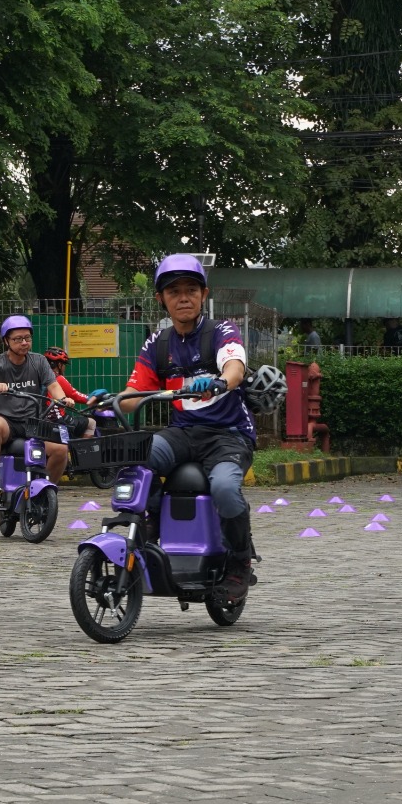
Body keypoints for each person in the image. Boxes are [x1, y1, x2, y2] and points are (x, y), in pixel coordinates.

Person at [118, 255, 260, 602]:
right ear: (161, 299)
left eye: (191, 290)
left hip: (228, 435)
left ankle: (240, 561)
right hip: (183, 433)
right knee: (139, 458)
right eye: (174, 291)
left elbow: (235, 368)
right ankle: (150, 527)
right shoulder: (159, 343)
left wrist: (219, 381)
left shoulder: (221, 331)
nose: (184, 297)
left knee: (226, 488)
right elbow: (135, 393)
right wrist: (111, 401)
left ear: (203, 294)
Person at [0, 317, 68, 491]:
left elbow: (54, 385)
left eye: (27, 338)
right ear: (6, 341)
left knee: (61, 449)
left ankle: (46, 489)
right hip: (7, 422)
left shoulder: (39, 361)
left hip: (33, 423)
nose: (24, 343)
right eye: (18, 339)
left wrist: (64, 400)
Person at [43, 345, 107, 439]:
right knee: (91, 423)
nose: (64, 368)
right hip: (57, 420)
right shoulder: (58, 379)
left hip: (43, 419)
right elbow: (75, 395)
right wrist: (94, 397)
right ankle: (85, 451)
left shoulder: (41, 377)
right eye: (64, 364)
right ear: (59, 365)